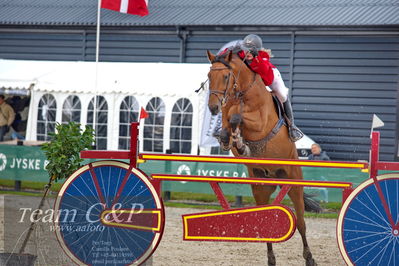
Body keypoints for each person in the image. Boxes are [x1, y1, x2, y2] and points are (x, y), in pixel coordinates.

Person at [219, 34, 303, 142]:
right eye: (246, 50)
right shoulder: (239, 53)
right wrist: (227, 51)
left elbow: (266, 78)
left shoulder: (262, 56)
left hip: (270, 78)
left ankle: (292, 127)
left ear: (256, 51)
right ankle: (224, 127)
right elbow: (223, 56)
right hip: (252, 83)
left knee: (282, 95)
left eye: (250, 51)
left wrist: (256, 58)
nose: (247, 53)